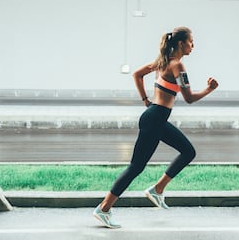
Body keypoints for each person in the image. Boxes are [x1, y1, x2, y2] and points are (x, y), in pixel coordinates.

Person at [93, 26, 219, 228]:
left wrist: (145, 100)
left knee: (188, 151)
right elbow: (189, 98)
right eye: (191, 42)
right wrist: (209, 90)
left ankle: (157, 190)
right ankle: (104, 208)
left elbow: (137, 74)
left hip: (155, 119)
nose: (193, 45)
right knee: (136, 167)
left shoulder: (162, 62)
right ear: (180, 43)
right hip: (155, 120)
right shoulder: (177, 66)